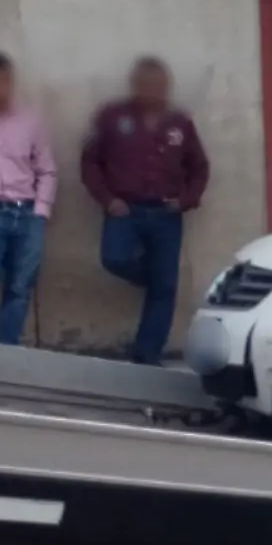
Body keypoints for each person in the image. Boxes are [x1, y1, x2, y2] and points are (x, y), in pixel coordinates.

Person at [82, 56, 210, 365]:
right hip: (125, 210)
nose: (154, 92)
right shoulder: (111, 117)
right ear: (135, 85)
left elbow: (199, 167)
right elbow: (89, 163)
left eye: (160, 86)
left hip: (167, 213)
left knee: (166, 287)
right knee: (114, 258)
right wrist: (108, 199)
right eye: (147, 85)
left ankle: (147, 354)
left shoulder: (181, 123)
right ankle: (149, 277)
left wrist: (186, 199)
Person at [0, 49, 56, 346]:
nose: (2, 88)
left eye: (7, 81)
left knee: (20, 287)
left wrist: (41, 210)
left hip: (28, 212)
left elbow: (46, 169)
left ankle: (7, 350)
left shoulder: (29, 121)